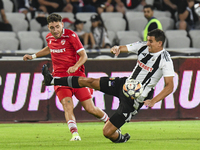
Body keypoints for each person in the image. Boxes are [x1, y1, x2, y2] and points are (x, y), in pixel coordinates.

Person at [42, 29, 175, 143]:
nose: (148, 43)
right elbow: (125, 48)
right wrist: (117, 48)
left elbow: (169, 86)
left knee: (107, 132)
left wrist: (153, 101)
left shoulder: (165, 60)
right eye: (147, 40)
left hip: (134, 99)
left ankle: (121, 138)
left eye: (151, 41)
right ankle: (53, 81)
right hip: (124, 84)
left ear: (160, 43)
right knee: (90, 81)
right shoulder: (143, 46)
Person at [23, 13, 109, 141]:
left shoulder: (71, 36)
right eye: (52, 27)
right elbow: (49, 48)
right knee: (67, 105)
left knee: (90, 109)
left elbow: (84, 56)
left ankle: (110, 123)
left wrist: (75, 66)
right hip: (59, 78)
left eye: (57, 26)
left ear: (62, 24)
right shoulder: (49, 37)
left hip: (76, 78)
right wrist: (33, 56)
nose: (55, 30)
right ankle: (75, 134)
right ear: (48, 27)